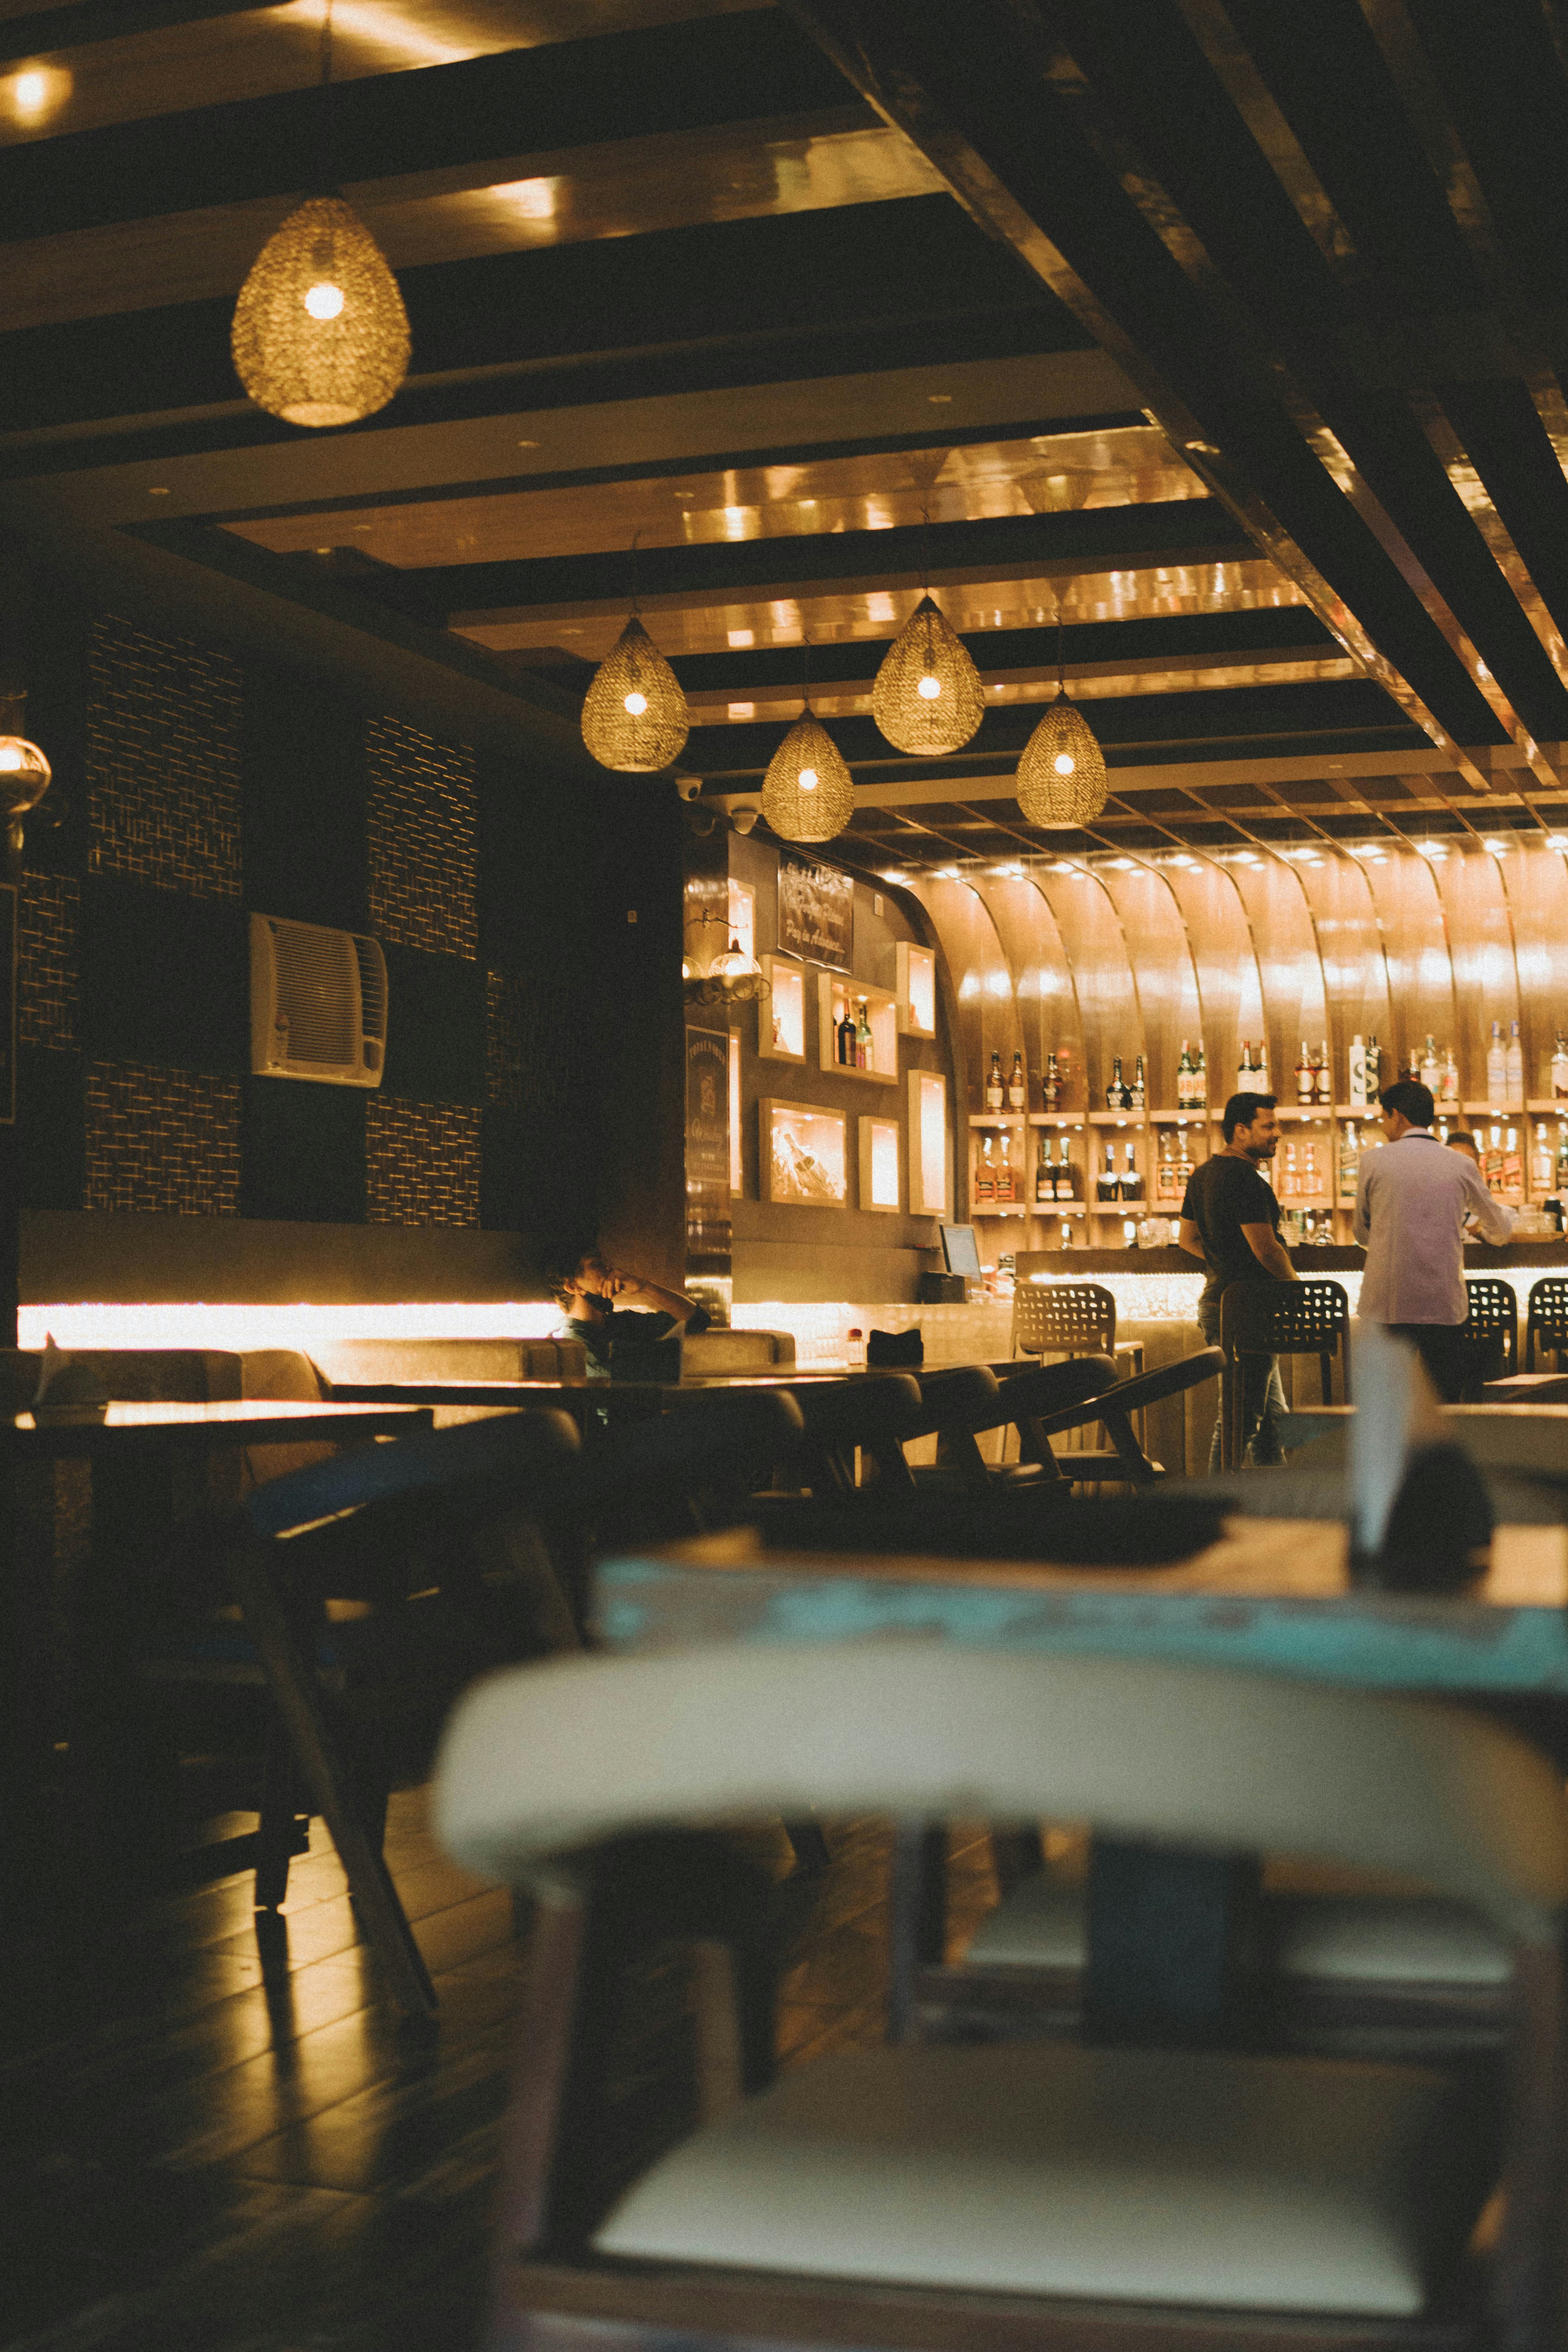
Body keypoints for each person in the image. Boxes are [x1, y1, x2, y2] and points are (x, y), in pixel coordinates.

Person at [1354, 1079, 1511, 1401]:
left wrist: (1388, 1239)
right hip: (1442, 1306)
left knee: (1387, 1407)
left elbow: (1361, 1232)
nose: (1384, 1128)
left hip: (1387, 1305)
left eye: (1384, 1119)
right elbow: (1501, 1232)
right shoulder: (1461, 1163)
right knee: (1444, 1405)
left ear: (1396, 1116)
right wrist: (1473, 1228)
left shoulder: (1373, 1162)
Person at [1177, 1091, 1296, 1470]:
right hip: (1248, 1311)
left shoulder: (1202, 1175)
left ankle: (1273, 1510)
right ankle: (1214, 1510)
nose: (1277, 1133)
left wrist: (1224, 1258)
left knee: (1272, 1419)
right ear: (1241, 1131)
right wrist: (1297, 1288)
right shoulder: (1245, 1180)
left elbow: (1188, 1240)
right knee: (1238, 1422)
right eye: (1269, 1126)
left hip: (1219, 1304)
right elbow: (1267, 1250)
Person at [548, 1251, 710, 1379]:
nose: (610, 1270)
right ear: (572, 1286)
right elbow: (615, 1386)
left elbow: (698, 1321)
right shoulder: (571, 1339)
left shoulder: (623, 1322)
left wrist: (645, 1287)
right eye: (597, 1265)